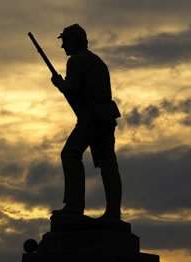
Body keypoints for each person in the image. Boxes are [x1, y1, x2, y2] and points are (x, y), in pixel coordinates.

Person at [51, 24, 122, 220]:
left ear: (75, 41)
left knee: (70, 154)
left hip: (91, 119)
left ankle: (74, 206)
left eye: (65, 41)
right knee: (108, 164)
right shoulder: (98, 62)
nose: (63, 46)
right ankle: (113, 213)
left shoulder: (76, 61)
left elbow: (72, 88)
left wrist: (60, 85)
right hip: (105, 117)